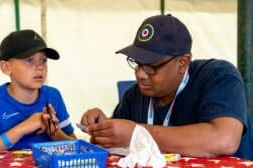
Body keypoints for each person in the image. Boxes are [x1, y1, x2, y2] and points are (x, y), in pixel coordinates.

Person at [80, 14, 253, 160]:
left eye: (151, 66)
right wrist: (102, 128)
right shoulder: (135, 94)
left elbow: (224, 140)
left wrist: (138, 133)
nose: (140, 74)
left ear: (182, 63)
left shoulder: (217, 76)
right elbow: (116, 139)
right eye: (137, 63)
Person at [0, 29, 76, 152]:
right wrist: (22, 128)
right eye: (30, 60)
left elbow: (74, 146)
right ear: (6, 67)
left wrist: (53, 130)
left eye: (43, 60)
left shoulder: (52, 95)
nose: (40, 67)